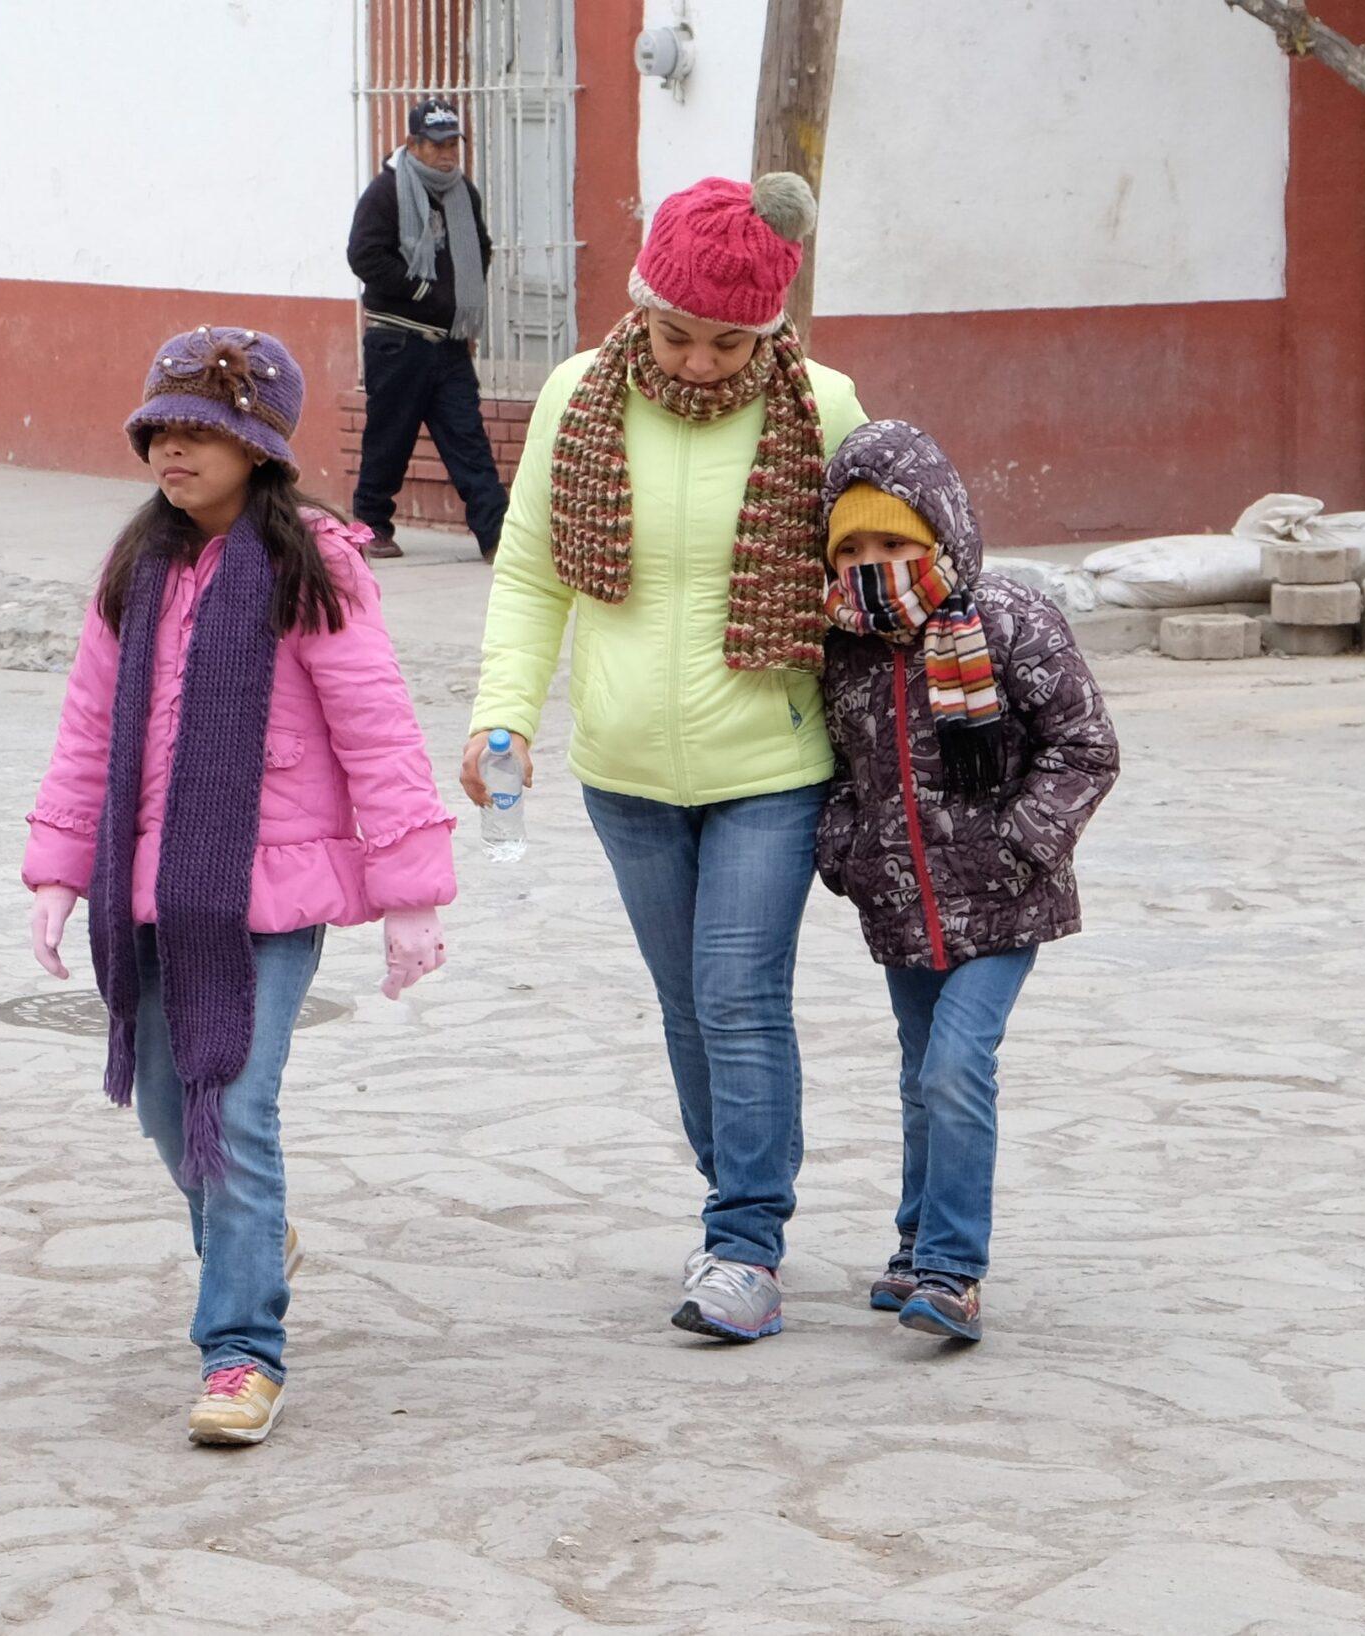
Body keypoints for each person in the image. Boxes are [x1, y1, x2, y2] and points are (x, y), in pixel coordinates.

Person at [24, 326, 456, 1445]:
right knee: (170, 1111)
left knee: (237, 1105)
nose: (172, 451)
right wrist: (61, 871)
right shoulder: (137, 566)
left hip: (270, 896)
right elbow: (87, 727)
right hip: (152, 889)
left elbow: (377, 727)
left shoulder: (314, 563)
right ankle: (251, 1236)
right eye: (158, 430)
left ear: (256, 446)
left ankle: (240, 1349)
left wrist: (410, 892)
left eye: (198, 431)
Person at [461, 173, 868, 1343]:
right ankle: (738, 1191)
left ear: (771, 331)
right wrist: (506, 716)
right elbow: (532, 567)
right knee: (687, 1006)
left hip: (772, 760)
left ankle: (744, 1238)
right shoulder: (575, 398)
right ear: (639, 307)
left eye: (728, 340)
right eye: (676, 332)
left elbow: (883, 553)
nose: (697, 360)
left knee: (738, 993)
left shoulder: (824, 407)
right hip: (625, 766)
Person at [814, 420, 1120, 1343]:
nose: (875, 564)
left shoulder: (1010, 619)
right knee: (920, 1076)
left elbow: (1084, 746)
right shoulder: (843, 645)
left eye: (896, 543)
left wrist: (1021, 843)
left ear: (941, 533)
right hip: (902, 908)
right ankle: (914, 1246)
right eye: (853, 547)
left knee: (955, 1067)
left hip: (1004, 901)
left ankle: (953, 1269)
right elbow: (830, 769)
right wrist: (848, 849)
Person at [347, 97, 509, 563]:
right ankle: (371, 525)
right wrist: (421, 290)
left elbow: (481, 246)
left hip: (450, 343)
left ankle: (496, 536)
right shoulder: (385, 193)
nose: (446, 153)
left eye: (452, 143)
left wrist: (464, 299)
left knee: (468, 438)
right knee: (389, 438)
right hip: (397, 339)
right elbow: (364, 256)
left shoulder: (463, 193)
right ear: (413, 144)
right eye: (435, 144)